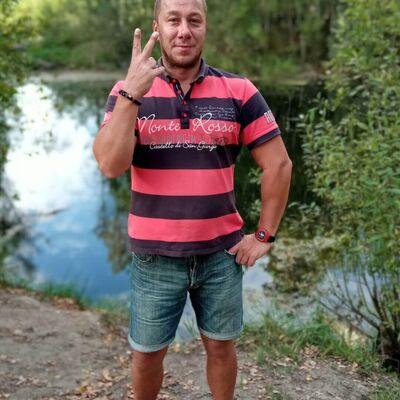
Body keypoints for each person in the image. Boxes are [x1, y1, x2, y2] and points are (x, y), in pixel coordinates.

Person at [93, 0, 292, 398]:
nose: (184, 30)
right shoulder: (126, 92)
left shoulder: (239, 90)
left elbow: (279, 165)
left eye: (194, 20)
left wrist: (264, 236)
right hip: (155, 256)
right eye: (174, 20)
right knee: (147, 354)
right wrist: (133, 93)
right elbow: (111, 165)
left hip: (222, 255)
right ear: (157, 27)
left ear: (205, 28)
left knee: (221, 347)